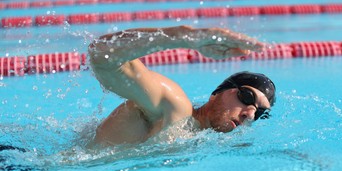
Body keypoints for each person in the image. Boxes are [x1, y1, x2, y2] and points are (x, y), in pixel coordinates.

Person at [88, 25, 276, 146]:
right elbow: (103, 55)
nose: (250, 115)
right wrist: (183, 37)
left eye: (259, 113)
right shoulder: (175, 107)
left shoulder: (198, 138)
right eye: (247, 97)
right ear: (218, 93)